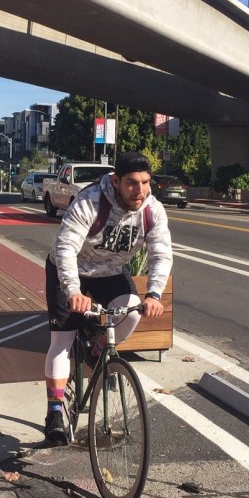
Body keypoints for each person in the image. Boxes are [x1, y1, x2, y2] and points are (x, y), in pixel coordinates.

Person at [43, 151, 173, 445]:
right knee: (61, 342)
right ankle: (54, 412)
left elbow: (161, 254)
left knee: (132, 313)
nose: (139, 191)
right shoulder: (90, 202)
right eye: (131, 183)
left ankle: (96, 350)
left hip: (111, 271)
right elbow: (65, 249)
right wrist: (73, 291)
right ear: (116, 181)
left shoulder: (152, 210)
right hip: (70, 269)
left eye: (145, 182)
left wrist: (154, 293)